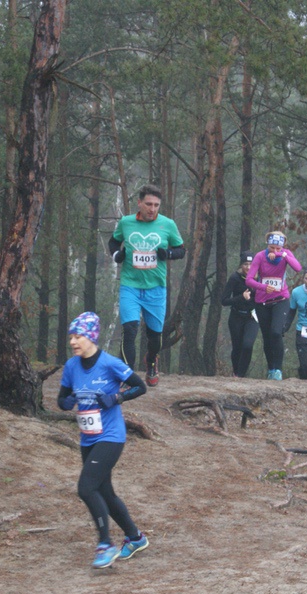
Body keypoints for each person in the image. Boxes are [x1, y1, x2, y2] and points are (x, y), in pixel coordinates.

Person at [57, 312, 149, 569]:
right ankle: (135, 538)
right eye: (71, 337)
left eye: (78, 336)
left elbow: (140, 387)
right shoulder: (71, 366)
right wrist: (65, 402)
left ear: (91, 337)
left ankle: (105, 544)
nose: (73, 342)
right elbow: (62, 398)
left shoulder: (110, 364)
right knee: (105, 492)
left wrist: (117, 398)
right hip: (88, 438)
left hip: (111, 436)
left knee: (86, 488)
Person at [108, 184, 185, 387]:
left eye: (156, 205)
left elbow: (181, 250)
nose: (152, 209)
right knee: (129, 330)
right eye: (148, 204)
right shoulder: (126, 223)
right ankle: (127, 375)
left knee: (155, 337)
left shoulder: (167, 224)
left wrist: (168, 254)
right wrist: (117, 255)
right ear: (139, 203)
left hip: (156, 288)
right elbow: (113, 242)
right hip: (130, 286)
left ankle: (151, 361)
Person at [246, 231, 303, 380]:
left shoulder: (286, 254)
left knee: (276, 332)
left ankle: (278, 369)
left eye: (278, 248)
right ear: (267, 245)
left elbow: (298, 268)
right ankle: (271, 368)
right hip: (262, 301)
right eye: (272, 248)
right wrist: (263, 287)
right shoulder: (260, 256)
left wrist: (282, 255)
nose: (275, 251)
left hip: (281, 299)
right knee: (267, 336)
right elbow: (249, 279)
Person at [220, 252, 259, 377]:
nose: (248, 267)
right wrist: (241, 297)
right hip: (236, 316)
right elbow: (224, 301)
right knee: (237, 347)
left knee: (247, 345)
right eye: (245, 264)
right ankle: (236, 373)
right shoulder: (235, 278)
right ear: (241, 265)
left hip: (252, 317)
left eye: (251, 264)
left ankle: (241, 375)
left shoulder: (258, 279)